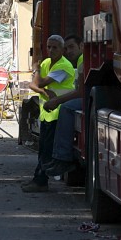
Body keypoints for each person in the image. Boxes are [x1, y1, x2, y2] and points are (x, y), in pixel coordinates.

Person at [21, 34, 76, 193]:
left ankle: (40, 181)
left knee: (46, 151)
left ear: (62, 50)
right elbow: (34, 85)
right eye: (49, 47)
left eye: (55, 47)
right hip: (47, 113)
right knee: (43, 149)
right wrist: (43, 91)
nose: (51, 50)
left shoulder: (63, 66)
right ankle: (39, 179)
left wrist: (37, 71)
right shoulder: (46, 63)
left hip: (59, 114)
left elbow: (40, 81)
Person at [44, 34, 84, 177]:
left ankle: (62, 158)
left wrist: (57, 101)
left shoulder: (82, 60)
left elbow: (81, 91)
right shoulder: (78, 61)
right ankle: (58, 158)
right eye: (66, 48)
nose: (69, 51)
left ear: (82, 46)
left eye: (72, 47)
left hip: (85, 100)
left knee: (66, 109)